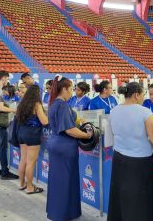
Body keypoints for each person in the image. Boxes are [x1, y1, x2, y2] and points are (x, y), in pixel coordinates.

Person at [108, 82, 153, 221]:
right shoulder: (144, 112)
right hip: (139, 163)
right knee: (140, 200)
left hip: (119, 159)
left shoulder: (114, 110)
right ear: (136, 94)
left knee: (120, 196)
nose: (143, 98)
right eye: (143, 95)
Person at [46, 75, 93, 221]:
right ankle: (63, 214)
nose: (72, 91)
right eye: (71, 89)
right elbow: (70, 130)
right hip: (65, 146)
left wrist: (79, 119)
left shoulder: (54, 103)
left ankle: (59, 211)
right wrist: (87, 135)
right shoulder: (63, 105)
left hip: (56, 144)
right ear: (64, 89)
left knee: (58, 181)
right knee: (65, 181)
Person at [16, 85, 49, 194]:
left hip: (21, 132)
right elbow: (44, 121)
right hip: (32, 133)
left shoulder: (22, 103)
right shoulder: (36, 105)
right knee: (30, 162)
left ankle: (21, 184)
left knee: (23, 159)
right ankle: (30, 187)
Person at [0, 71, 18, 180]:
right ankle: (4, 172)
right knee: (2, 148)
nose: (8, 81)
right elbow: (1, 108)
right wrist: (13, 110)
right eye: (7, 79)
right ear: (4, 78)